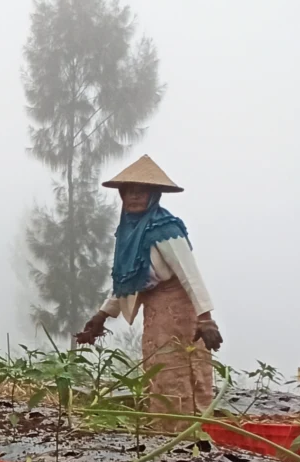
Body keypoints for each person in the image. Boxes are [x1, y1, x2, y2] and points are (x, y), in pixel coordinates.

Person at [75, 155, 222, 427]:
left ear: (154, 195)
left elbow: (190, 275)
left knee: (180, 367)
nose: (134, 196)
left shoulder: (165, 229)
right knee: (157, 367)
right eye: (129, 191)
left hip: (179, 309)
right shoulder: (129, 233)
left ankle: (188, 433)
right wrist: (102, 315)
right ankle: (165, 428)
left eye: (141, 191)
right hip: (155, 309)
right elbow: (130, 279)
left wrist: (205, 318)